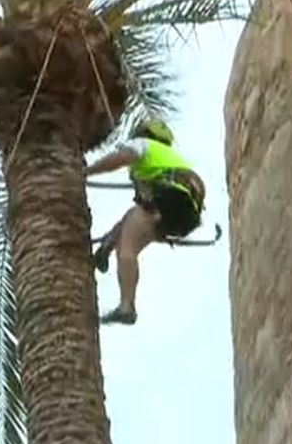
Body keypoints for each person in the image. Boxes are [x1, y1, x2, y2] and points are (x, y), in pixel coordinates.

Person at [86, 118, 206, 326]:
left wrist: (87, 172)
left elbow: (121, 158)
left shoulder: (144, 145)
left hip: (170, 199)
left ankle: (126, 307)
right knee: (133, 220)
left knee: (128, 248)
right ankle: (105, 248)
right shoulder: (169, 158)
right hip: (186, 213)